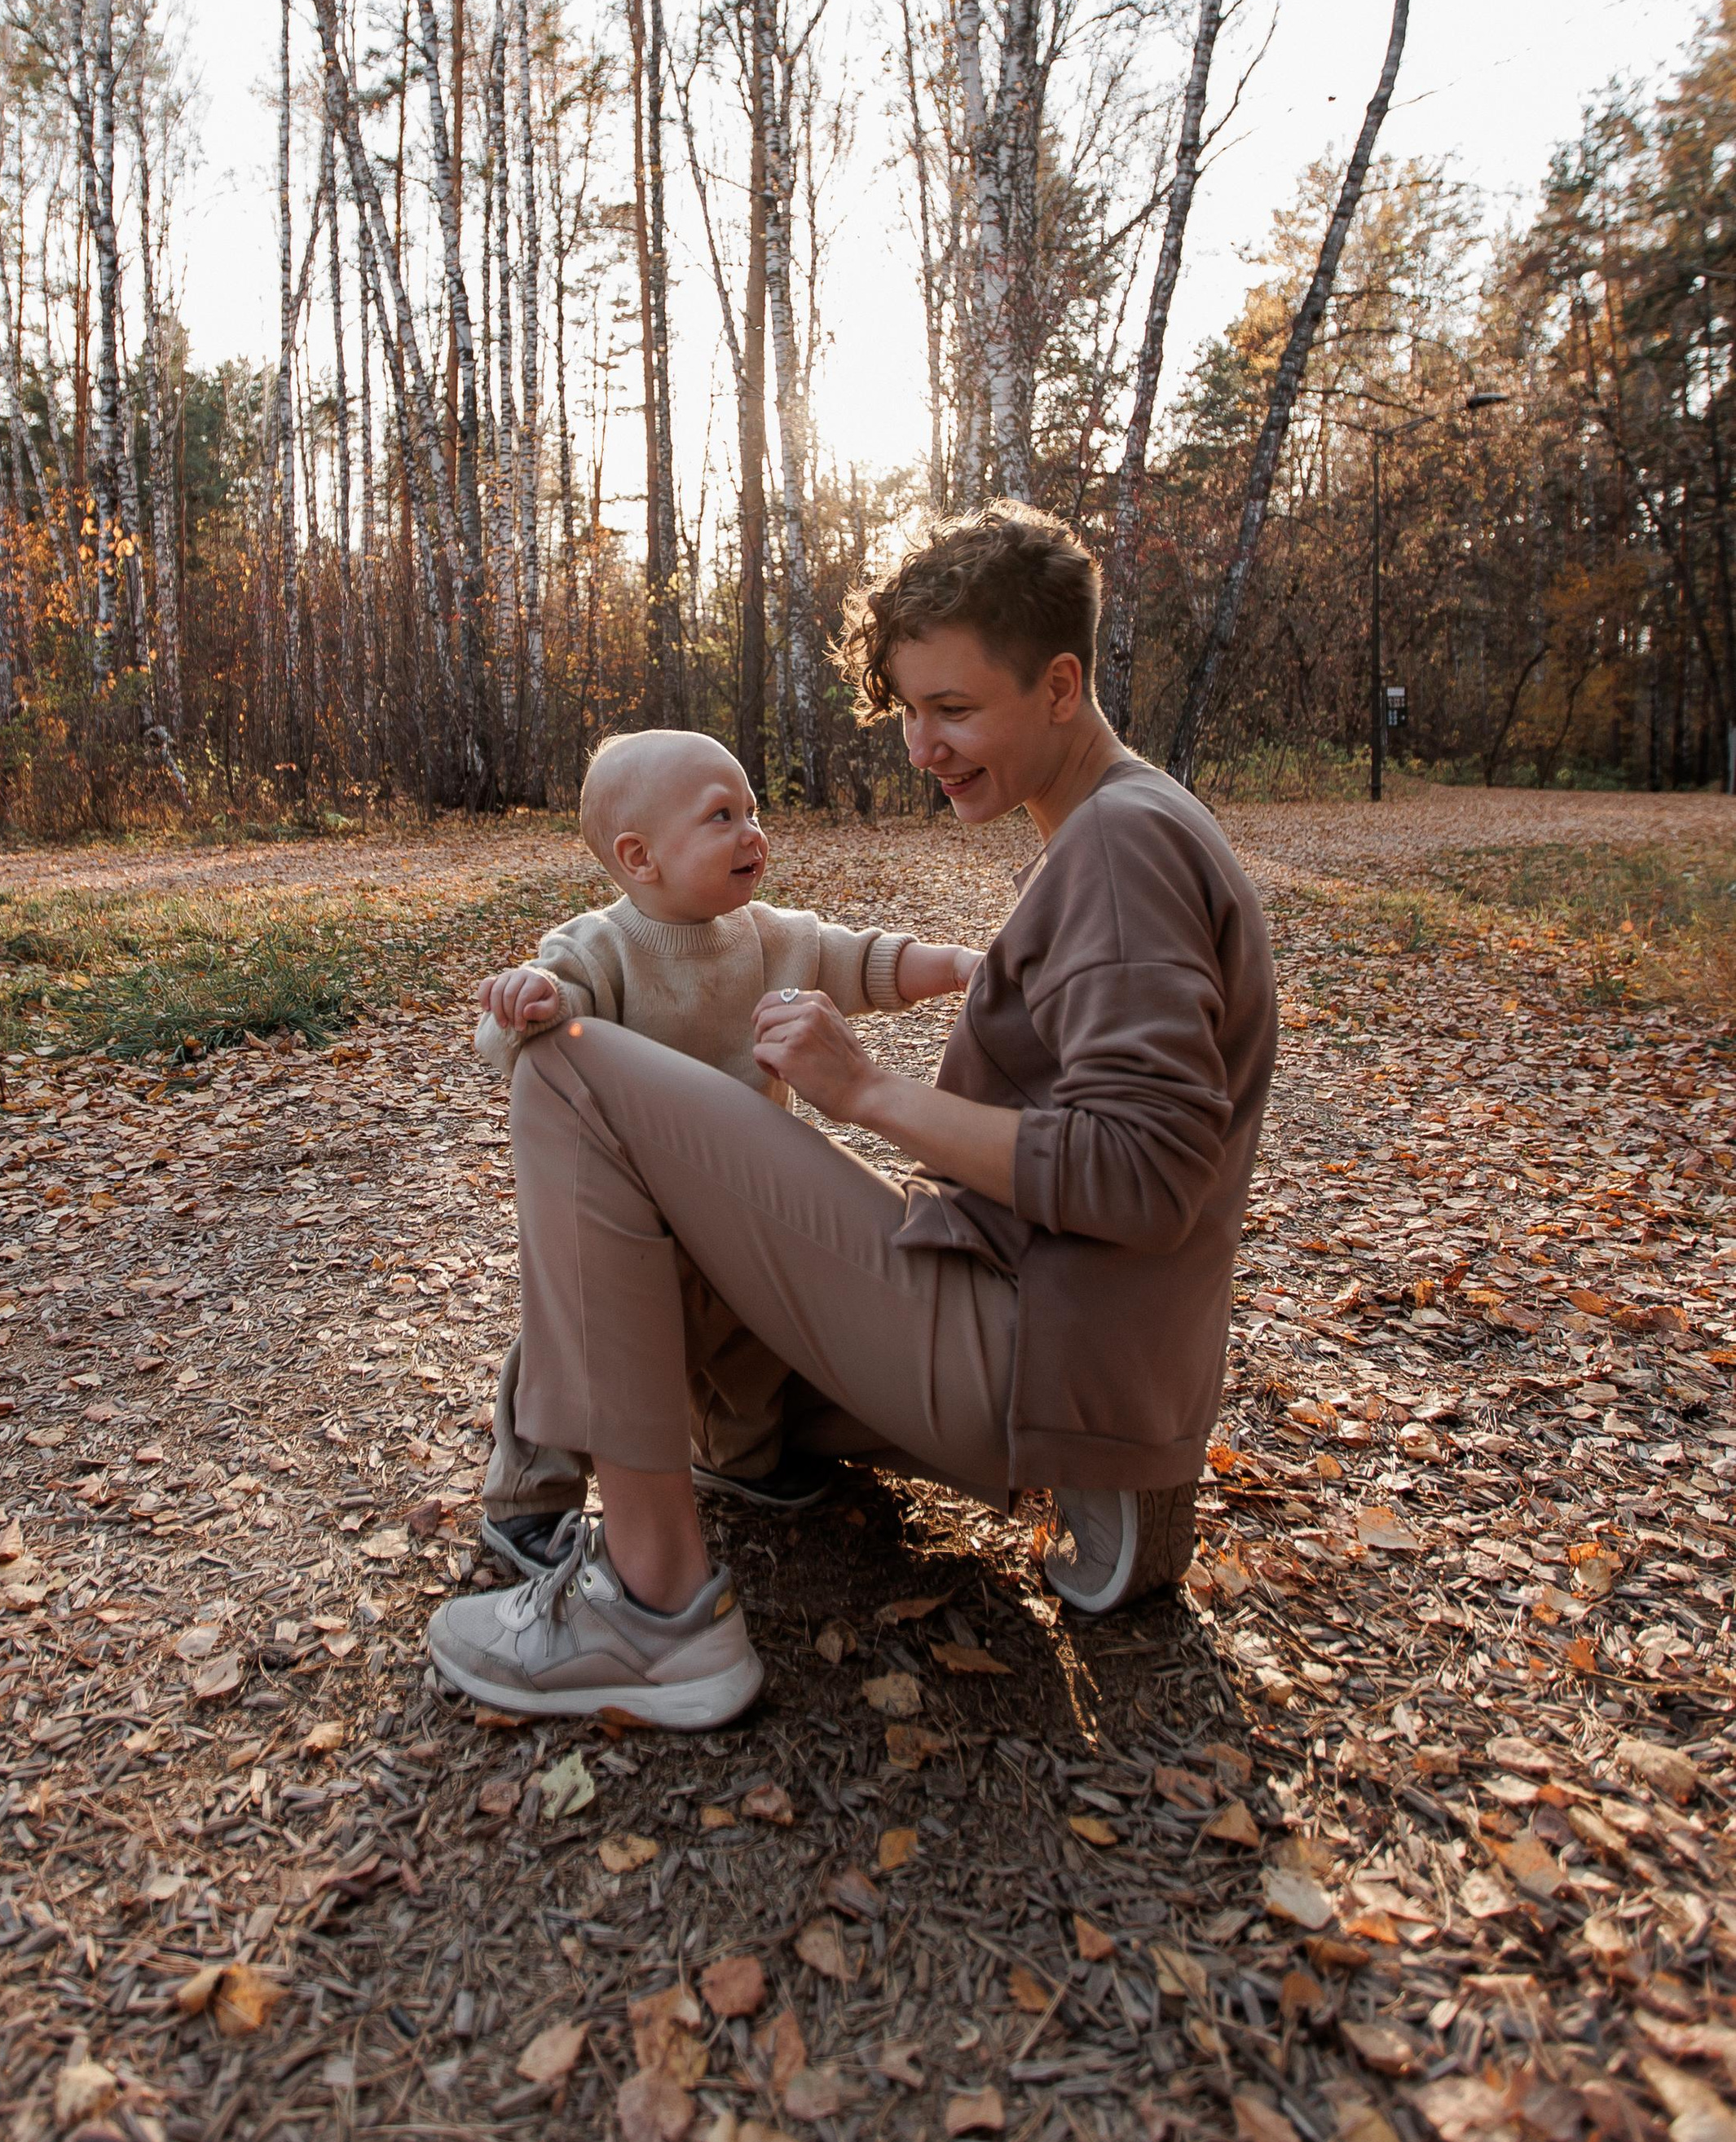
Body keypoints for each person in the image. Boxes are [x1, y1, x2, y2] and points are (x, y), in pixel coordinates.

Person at [428, 505, 1278, 1730]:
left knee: (566, 1067)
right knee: (712, 1372)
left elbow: (1145, 1175)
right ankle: (1080, 1462)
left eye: (954, 708)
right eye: (908, 709)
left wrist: (866, 1093)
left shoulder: (1118, 849)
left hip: (1020, 1348)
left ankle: (656, 1609)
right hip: (1076, 1349)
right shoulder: (1132, 822)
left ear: (1059, 686)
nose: (923, 744)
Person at [471, 728, 983, 1573]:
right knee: (579, 1348)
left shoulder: (769, 936)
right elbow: (534, 1043)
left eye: (752, 810)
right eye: (722, 816)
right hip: (631, 1228)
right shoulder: (598, 949)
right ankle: (529, 1498)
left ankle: (739, 1460)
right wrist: (529, 1002)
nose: (753, 833)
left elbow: (864, 960)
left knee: (750, 1348)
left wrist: (958, 965)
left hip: (741, 1215)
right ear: (640, 857)